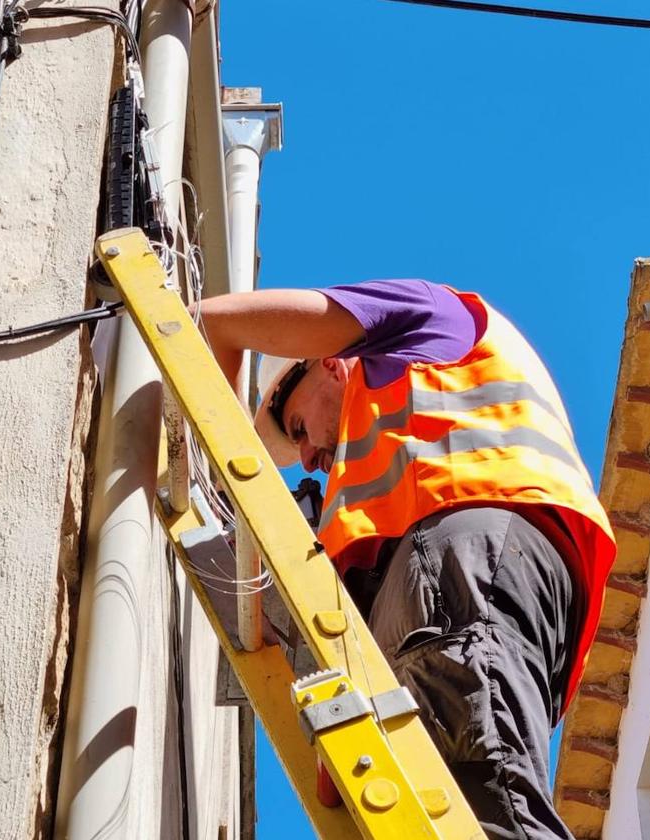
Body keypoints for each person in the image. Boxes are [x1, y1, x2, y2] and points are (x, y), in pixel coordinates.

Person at [198, 279, 616, 840]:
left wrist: (220, 476)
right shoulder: (384, 464)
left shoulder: (429, 316)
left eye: (297, 426)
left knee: (484, 800)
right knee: (462, 801)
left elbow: (217, 321)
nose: (306, 458)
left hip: (464, 558)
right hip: (494, 576)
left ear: (328, 363)